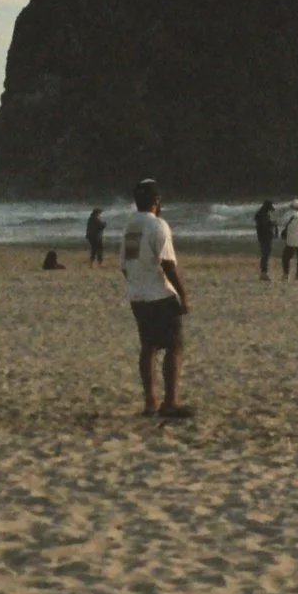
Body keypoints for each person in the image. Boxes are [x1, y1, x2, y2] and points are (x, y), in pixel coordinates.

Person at [119, 178, 191, 417]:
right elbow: (168, 263)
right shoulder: (158, 225)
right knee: (175, 345)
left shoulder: (131, 226)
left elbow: (125, 265)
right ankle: (170, 401)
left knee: (148, 346)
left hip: (137, 294)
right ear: (157, 202)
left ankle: (150, 402)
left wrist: (136, 283)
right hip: (159, 293)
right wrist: (182, 294)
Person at [253, 200, 278, 282]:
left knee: (265, 255)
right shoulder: (263, 215)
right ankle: (264, 273)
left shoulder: (260, 214)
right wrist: (272, 224)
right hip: (266, 237)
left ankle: (264, 273)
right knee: (265, 255)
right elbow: (265, 226)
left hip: (262, 237)